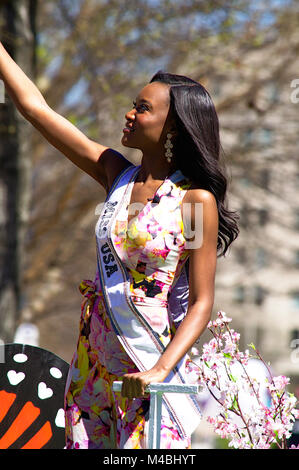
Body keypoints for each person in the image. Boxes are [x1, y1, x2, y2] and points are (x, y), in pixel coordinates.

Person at [0, 42, 239, 449]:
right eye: (133, 104)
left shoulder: (196, 202)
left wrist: (161, 370)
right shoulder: (116, 176)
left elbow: (201, 301)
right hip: (91, 364)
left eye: (143, 108)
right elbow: (36, 109)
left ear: (173, 128)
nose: (130, 113)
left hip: (145, 364)